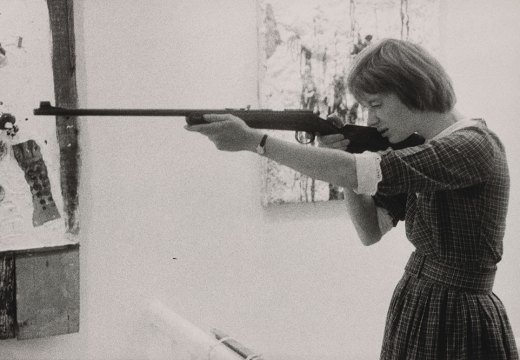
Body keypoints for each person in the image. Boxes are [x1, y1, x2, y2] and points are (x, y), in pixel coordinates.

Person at [185, 38, 518, 359]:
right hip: (420, 304)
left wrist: (257, 142)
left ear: (411, 90)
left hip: (457, 316)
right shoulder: (423, 148)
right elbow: (370, 231)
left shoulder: (473, 146)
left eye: (376, 105)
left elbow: (358, 171)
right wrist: (345, 161)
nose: (371, 119)